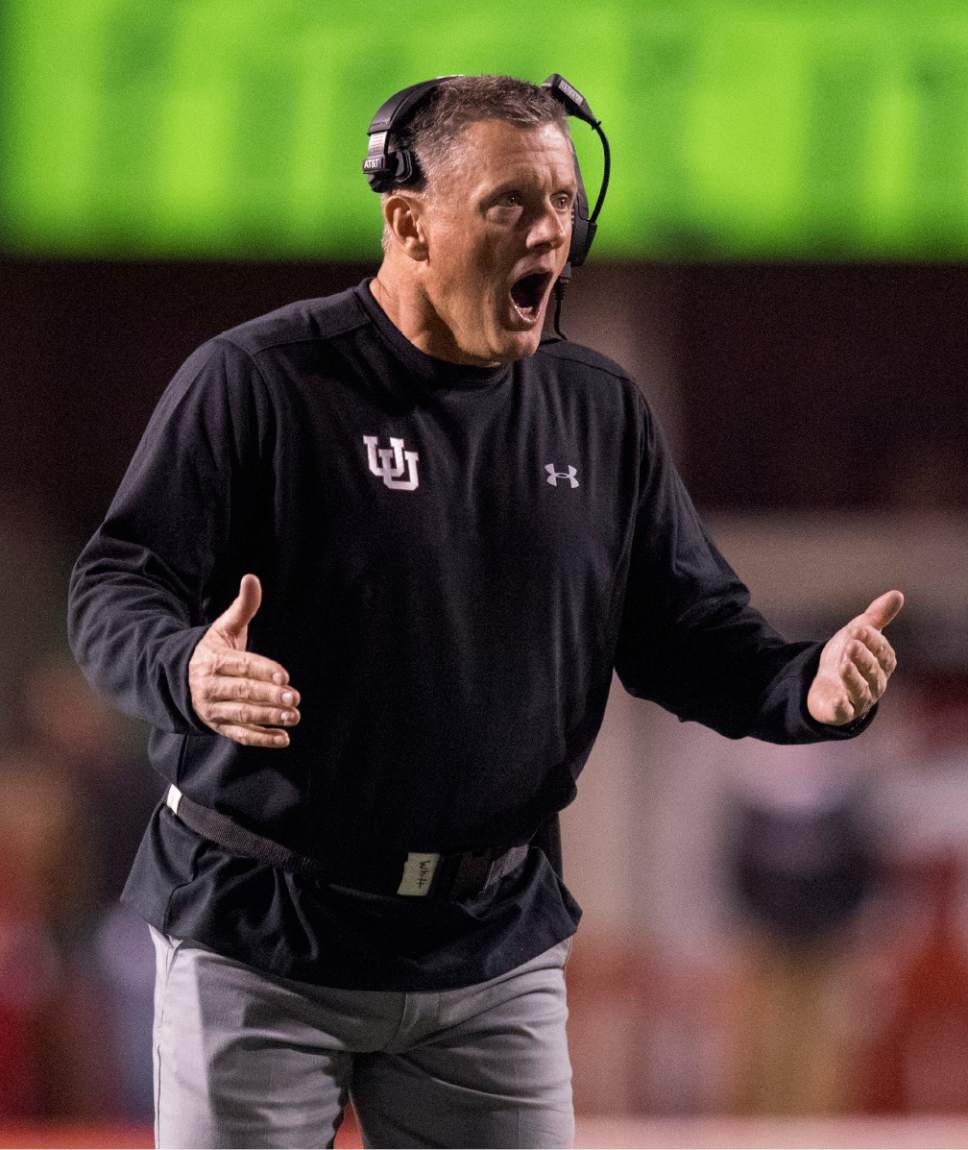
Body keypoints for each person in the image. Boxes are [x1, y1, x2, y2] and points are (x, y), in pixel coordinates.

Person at [67, 74, 902, 1149]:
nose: (550, 232)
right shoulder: (258, 384)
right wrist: (185, 669)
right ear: (406, 220)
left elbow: (687, 632)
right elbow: (112, 586)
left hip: (487, 949)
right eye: (512, 203)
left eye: (562, 202)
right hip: (263, 935)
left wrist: (805, 688)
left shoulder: (596, 411)